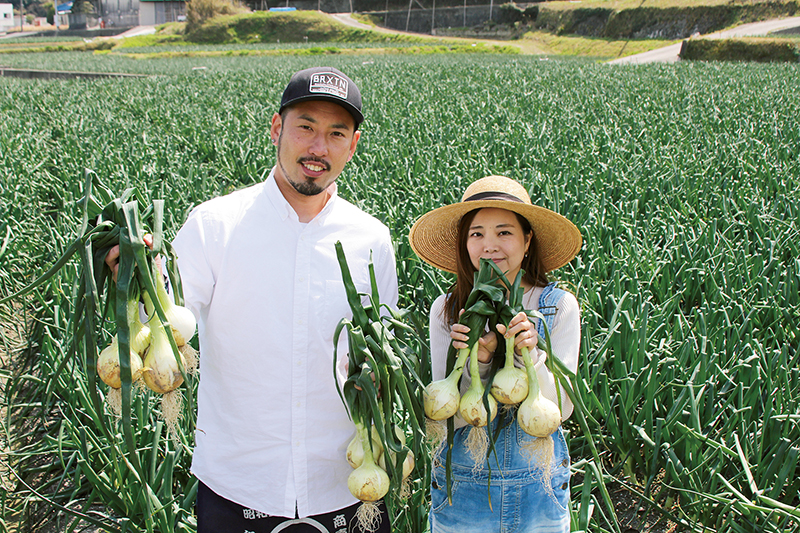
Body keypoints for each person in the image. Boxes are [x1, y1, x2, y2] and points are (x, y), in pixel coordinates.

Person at [107, 67, 398, 532]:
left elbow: (380, 353)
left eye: (335, 133)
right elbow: (164, 320)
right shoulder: (214, 225)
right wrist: (138, 278)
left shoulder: (372, 240)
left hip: (346, 482)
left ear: (353, 145)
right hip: (239, 482)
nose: (318, 148)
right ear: (277, 129)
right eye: (306, 127)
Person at [408, 175, 582, 533]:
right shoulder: (448, 309)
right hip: (464, 489)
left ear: (527, 239)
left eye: (504, 232)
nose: (490, 246)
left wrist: (528, 355)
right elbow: (445, 415)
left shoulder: (558, 307)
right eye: (477, 234)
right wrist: (480, 361)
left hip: (540, 486)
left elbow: (560, 409)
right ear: (464, 242)